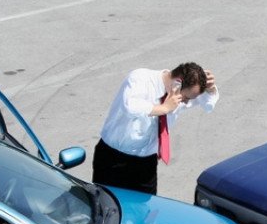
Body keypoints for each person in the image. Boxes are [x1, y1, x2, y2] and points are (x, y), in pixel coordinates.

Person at [92, 62, 219, 195]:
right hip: (113, 159)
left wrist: (211, 89)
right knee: (106, 208)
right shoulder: (140, 78)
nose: (186, 102)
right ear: (177, 83)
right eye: (186, 98)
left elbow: (208, 106)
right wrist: (164, 108)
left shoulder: (177, 95)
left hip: (146, 164)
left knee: (146, 210)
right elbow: (130, 107)